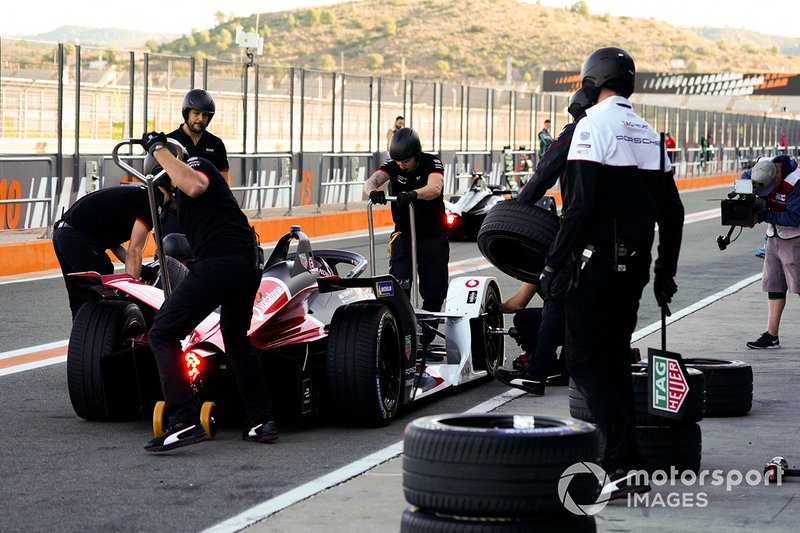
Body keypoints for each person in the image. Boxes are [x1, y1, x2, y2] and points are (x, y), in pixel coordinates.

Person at [539, 47, 684, 492]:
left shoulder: (591, 126)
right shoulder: (649, 134)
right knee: (615, 359)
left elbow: (578, 208)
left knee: (583, 362)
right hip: (637, 266)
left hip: (596, 262)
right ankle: (630, 461)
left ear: (591, 81)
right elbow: (673, 213)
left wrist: (553, 262)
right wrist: (665, 272)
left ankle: (622, 462)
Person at [139, 132, 276, 453]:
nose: (164, 200)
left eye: (161, 191)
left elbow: (194, 184)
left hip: (223, 263)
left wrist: (158, 149)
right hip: (245, 263)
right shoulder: (190, 203)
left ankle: (184, 419)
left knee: (162, 333)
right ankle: (261, 420)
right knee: (236, 336)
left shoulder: (197, 166)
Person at [494, 88, 594, 396]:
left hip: (581, 232)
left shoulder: (579, 130)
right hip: (622, 236)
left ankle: (537, 373)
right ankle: (572, 367)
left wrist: (517, 210)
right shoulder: (627, 130)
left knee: (556, 293)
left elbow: (545, 171)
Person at [52, 184, 170, 319]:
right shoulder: (153, 200)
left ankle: (81, 338)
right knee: (104, 297)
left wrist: (142, 270)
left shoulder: (138, 195)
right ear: (173, 192)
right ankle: (102, 335)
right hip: (77, 237)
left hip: (62, 234)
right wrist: (133, 293)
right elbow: (135, 250)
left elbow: (114, 244)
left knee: (80, 299)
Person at [364, 127, 448, 315]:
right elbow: (371, 181)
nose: (401, 165)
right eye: (398, 161)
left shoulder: (431, 162)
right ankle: (402, 326)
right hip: (404, 234)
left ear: (416, 154)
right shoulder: (394, 165)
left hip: (432, 236)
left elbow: (435, 188)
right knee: (398, 285)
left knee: (434, 289)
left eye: (406, 161)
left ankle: (427, 328)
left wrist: (413, 194)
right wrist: (373, 192)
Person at [746, 155, 800, 349]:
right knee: (774, 286)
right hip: (774, 236)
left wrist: (763, 215)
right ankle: (772, 335)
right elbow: (745, 177)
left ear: (778, 174)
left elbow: (795, 217)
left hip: (795, 239)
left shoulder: (796, 183)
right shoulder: (764, 166)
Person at [163, 89, 231, 235]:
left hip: (207, 216)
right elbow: (160, 184)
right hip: (176, 214)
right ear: (186, 113)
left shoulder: (216, 143)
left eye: (205, 114)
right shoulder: (169, 142)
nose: (200, 118)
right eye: (196, 113)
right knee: (173, 252)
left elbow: (224, 183)